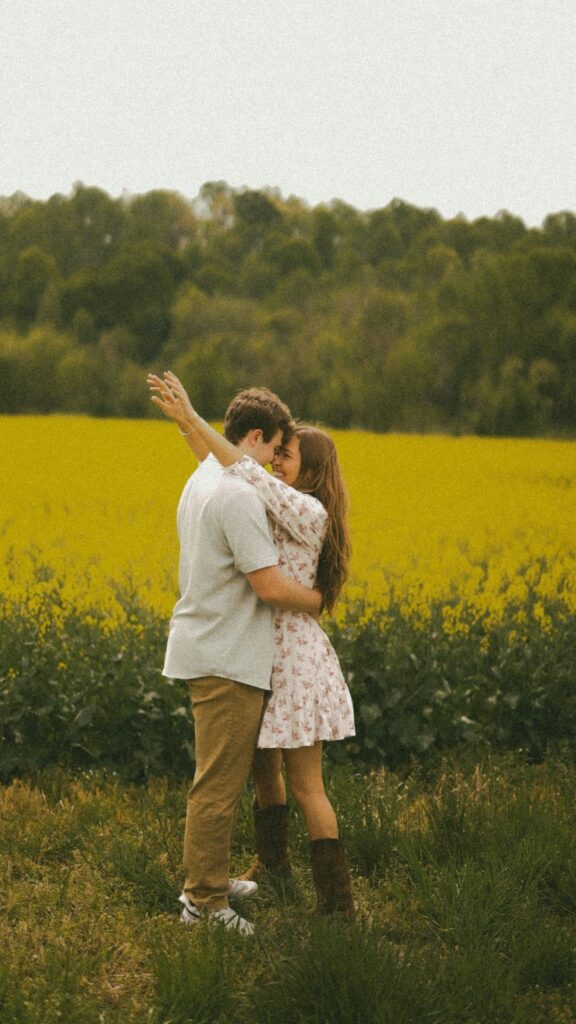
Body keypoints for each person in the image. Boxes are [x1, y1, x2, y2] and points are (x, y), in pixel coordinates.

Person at [150, 371, 356, 919]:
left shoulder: (302, 508)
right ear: (261, 436)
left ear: (311, 469)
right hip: (253, 652)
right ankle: (264, 870)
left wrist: (192, 422)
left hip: (287, 656)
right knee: (251, 775)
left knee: (299, 782)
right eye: (277, 450)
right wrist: (189, 425)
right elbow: (233, 465)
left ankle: (335, 905)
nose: (276, 463)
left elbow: (238, 467)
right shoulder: (243, 488)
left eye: (289, 456)